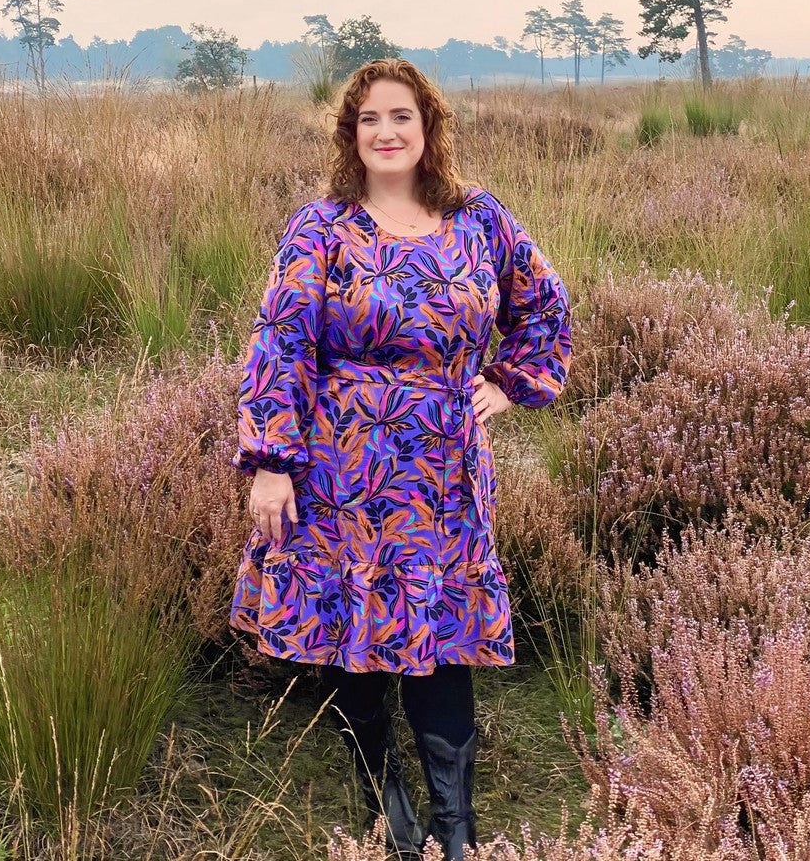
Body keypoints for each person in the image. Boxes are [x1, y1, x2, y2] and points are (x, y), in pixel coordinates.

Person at [230, 59, 572, 859]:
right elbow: (279, 342)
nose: (385, 132)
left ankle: (457, 829)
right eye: (369, 119)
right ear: (351, 134)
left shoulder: (480, 220)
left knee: (441, 636)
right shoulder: (321, 228)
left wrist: (507, 383)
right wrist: (271, 461)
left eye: (401, 117)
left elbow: (546, 308)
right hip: (341, 467)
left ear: (429, 127)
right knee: (350, 626)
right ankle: (384, 800)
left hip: (444, 472)